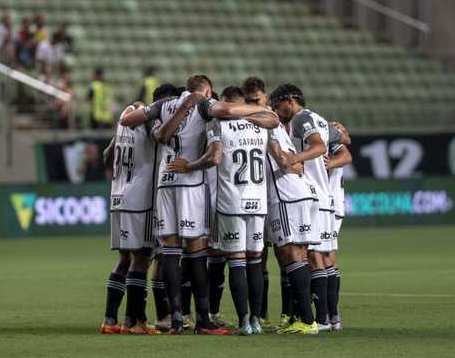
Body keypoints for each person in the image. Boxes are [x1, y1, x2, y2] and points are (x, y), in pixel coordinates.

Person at [121, 74, 277, 335]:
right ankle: (203, 319)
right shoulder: (205, 105)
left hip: (165, 181)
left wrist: (137, 108)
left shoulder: (163, 105)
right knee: (196, 251)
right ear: (207, 91)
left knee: (169, 251)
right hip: (191, 182)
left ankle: (175, 321)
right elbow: (226, 109)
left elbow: (129, 121)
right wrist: (260, 107)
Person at [100, 83, 181, 335]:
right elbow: (162, 137)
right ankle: (134, 322)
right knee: (142, 257)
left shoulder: (126, 116)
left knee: (124, 258)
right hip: (140, 199)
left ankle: (110, 321)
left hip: (118, 195)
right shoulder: (150, 120)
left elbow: (107, 156)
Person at [243, 77, 321, 335]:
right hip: (301, 193)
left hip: (286, 195)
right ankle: (298, 317)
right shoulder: (275, 122)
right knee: (296, 255)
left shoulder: (267, 120)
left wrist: (285, 159)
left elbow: (278, 153)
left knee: (291, 255)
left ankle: (307, 322)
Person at [270, 84, 350, 331]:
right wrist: (342, 136)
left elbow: (319, 146)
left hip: (313, 194)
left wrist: (294, 159)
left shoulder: (301, 118)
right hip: (324, 196)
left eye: (278, 104)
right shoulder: (318, 118)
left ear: (291, 100)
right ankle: (331, 318)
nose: (276, 109)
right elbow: (343, 140)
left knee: (314, 257)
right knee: (323, 258)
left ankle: (323, 319)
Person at [323, 123, 352, 331]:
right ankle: (329, 315)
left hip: (331, 204)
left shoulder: (327, 137)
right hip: (320, 203)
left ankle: (332, 315)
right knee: (318, 257)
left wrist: (329, 164)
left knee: (326, 257)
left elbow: (347, 155)